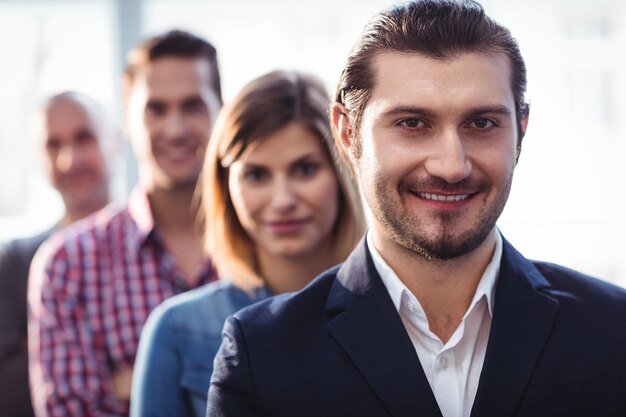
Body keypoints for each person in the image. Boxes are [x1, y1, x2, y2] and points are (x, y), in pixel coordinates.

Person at [207, 1, 626, 416]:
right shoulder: (261, 354)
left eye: (481, 123)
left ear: (520, 131)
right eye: (412, 123)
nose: (451, 166)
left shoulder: (613, 327)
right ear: (347, 133)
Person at [130, 70, 366, 417]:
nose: (282, 199)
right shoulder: (178, 331)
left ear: (343, 170)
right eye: (256, 175)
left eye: (304, 169)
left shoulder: (395, 311)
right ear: (226, 186)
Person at [28, 30, 222, 417]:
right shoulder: (67, 264)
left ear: (222, 111)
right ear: (126, 121)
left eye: (192, 106)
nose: (176, 128)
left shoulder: (270, 244)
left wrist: (139, 384)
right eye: (156, 109)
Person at [0, 91, 112, 417]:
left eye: (84, 137)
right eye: (53, 145)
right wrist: (117, 374)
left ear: (115, 141)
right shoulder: (15, 262)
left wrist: (46, 351)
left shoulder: (154, 245)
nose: (70, 159)